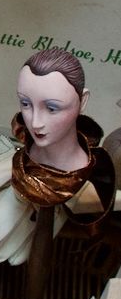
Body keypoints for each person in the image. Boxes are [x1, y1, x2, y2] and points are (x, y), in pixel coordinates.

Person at [11, 46, 115, 229]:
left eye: (52, 108)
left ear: (82, 101)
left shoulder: (90, 175)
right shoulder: (25, 155)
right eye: (25, 103)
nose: (35, 123)